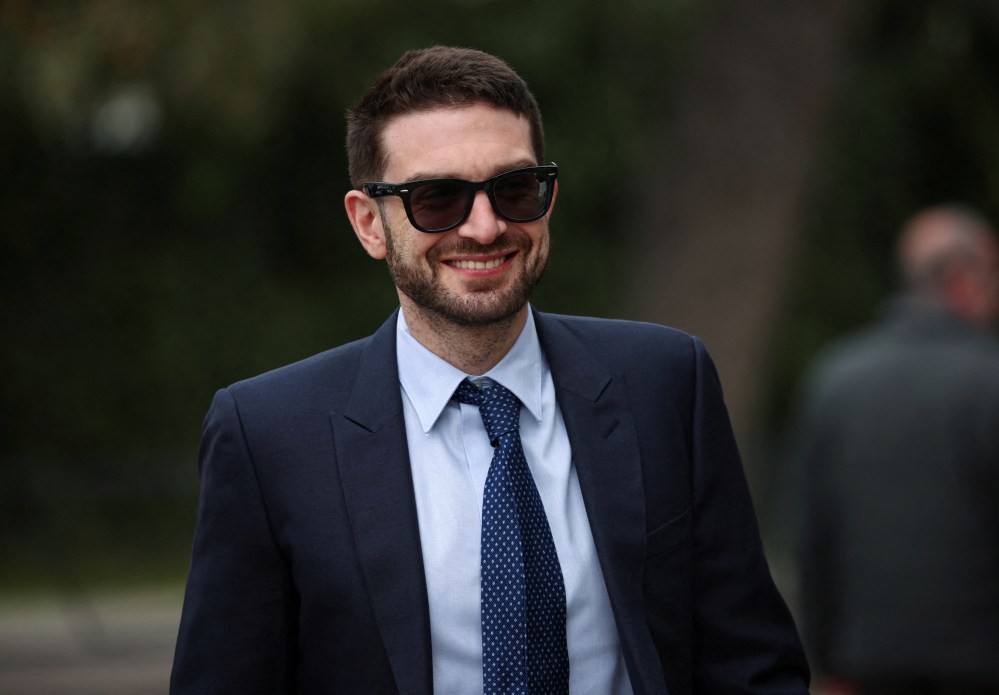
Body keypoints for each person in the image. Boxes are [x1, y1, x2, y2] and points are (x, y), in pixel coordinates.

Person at [170, 46, 808, 694]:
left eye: (514, 188)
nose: (485, 225)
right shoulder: (270, 434)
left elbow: (750, 665)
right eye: (437, 197)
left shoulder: (665, 383)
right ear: (369, 223)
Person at [787, 206, 999, 694]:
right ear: (963, 279)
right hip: (988, 671)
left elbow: (810, 536)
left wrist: (822, 659)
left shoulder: (835, 380)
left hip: (860, 668)